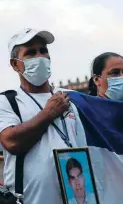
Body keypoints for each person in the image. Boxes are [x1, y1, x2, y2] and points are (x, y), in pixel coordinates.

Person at [0, 28, 86, 203]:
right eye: (31, 53)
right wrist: (49, 113)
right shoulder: (8, 102)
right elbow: (11, 142)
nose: (40, 56)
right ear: (15, 64)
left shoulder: (70, 100)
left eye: (43, 50)